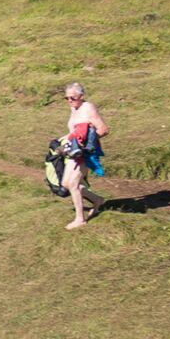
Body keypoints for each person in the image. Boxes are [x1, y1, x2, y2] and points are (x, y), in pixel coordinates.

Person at [59, 82, 109, 231]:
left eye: (72, 98)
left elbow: (103, 129)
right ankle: (97, 200)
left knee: (73, 184)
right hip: (73, 151)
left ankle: (80, 219)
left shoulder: (88, 108)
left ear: (81, 96)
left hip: (85, 153)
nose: (69, 101)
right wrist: (60, 140)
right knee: (66, 184)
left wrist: (86, 144)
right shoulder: (74, 108)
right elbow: (75, 131)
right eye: (66, 98)